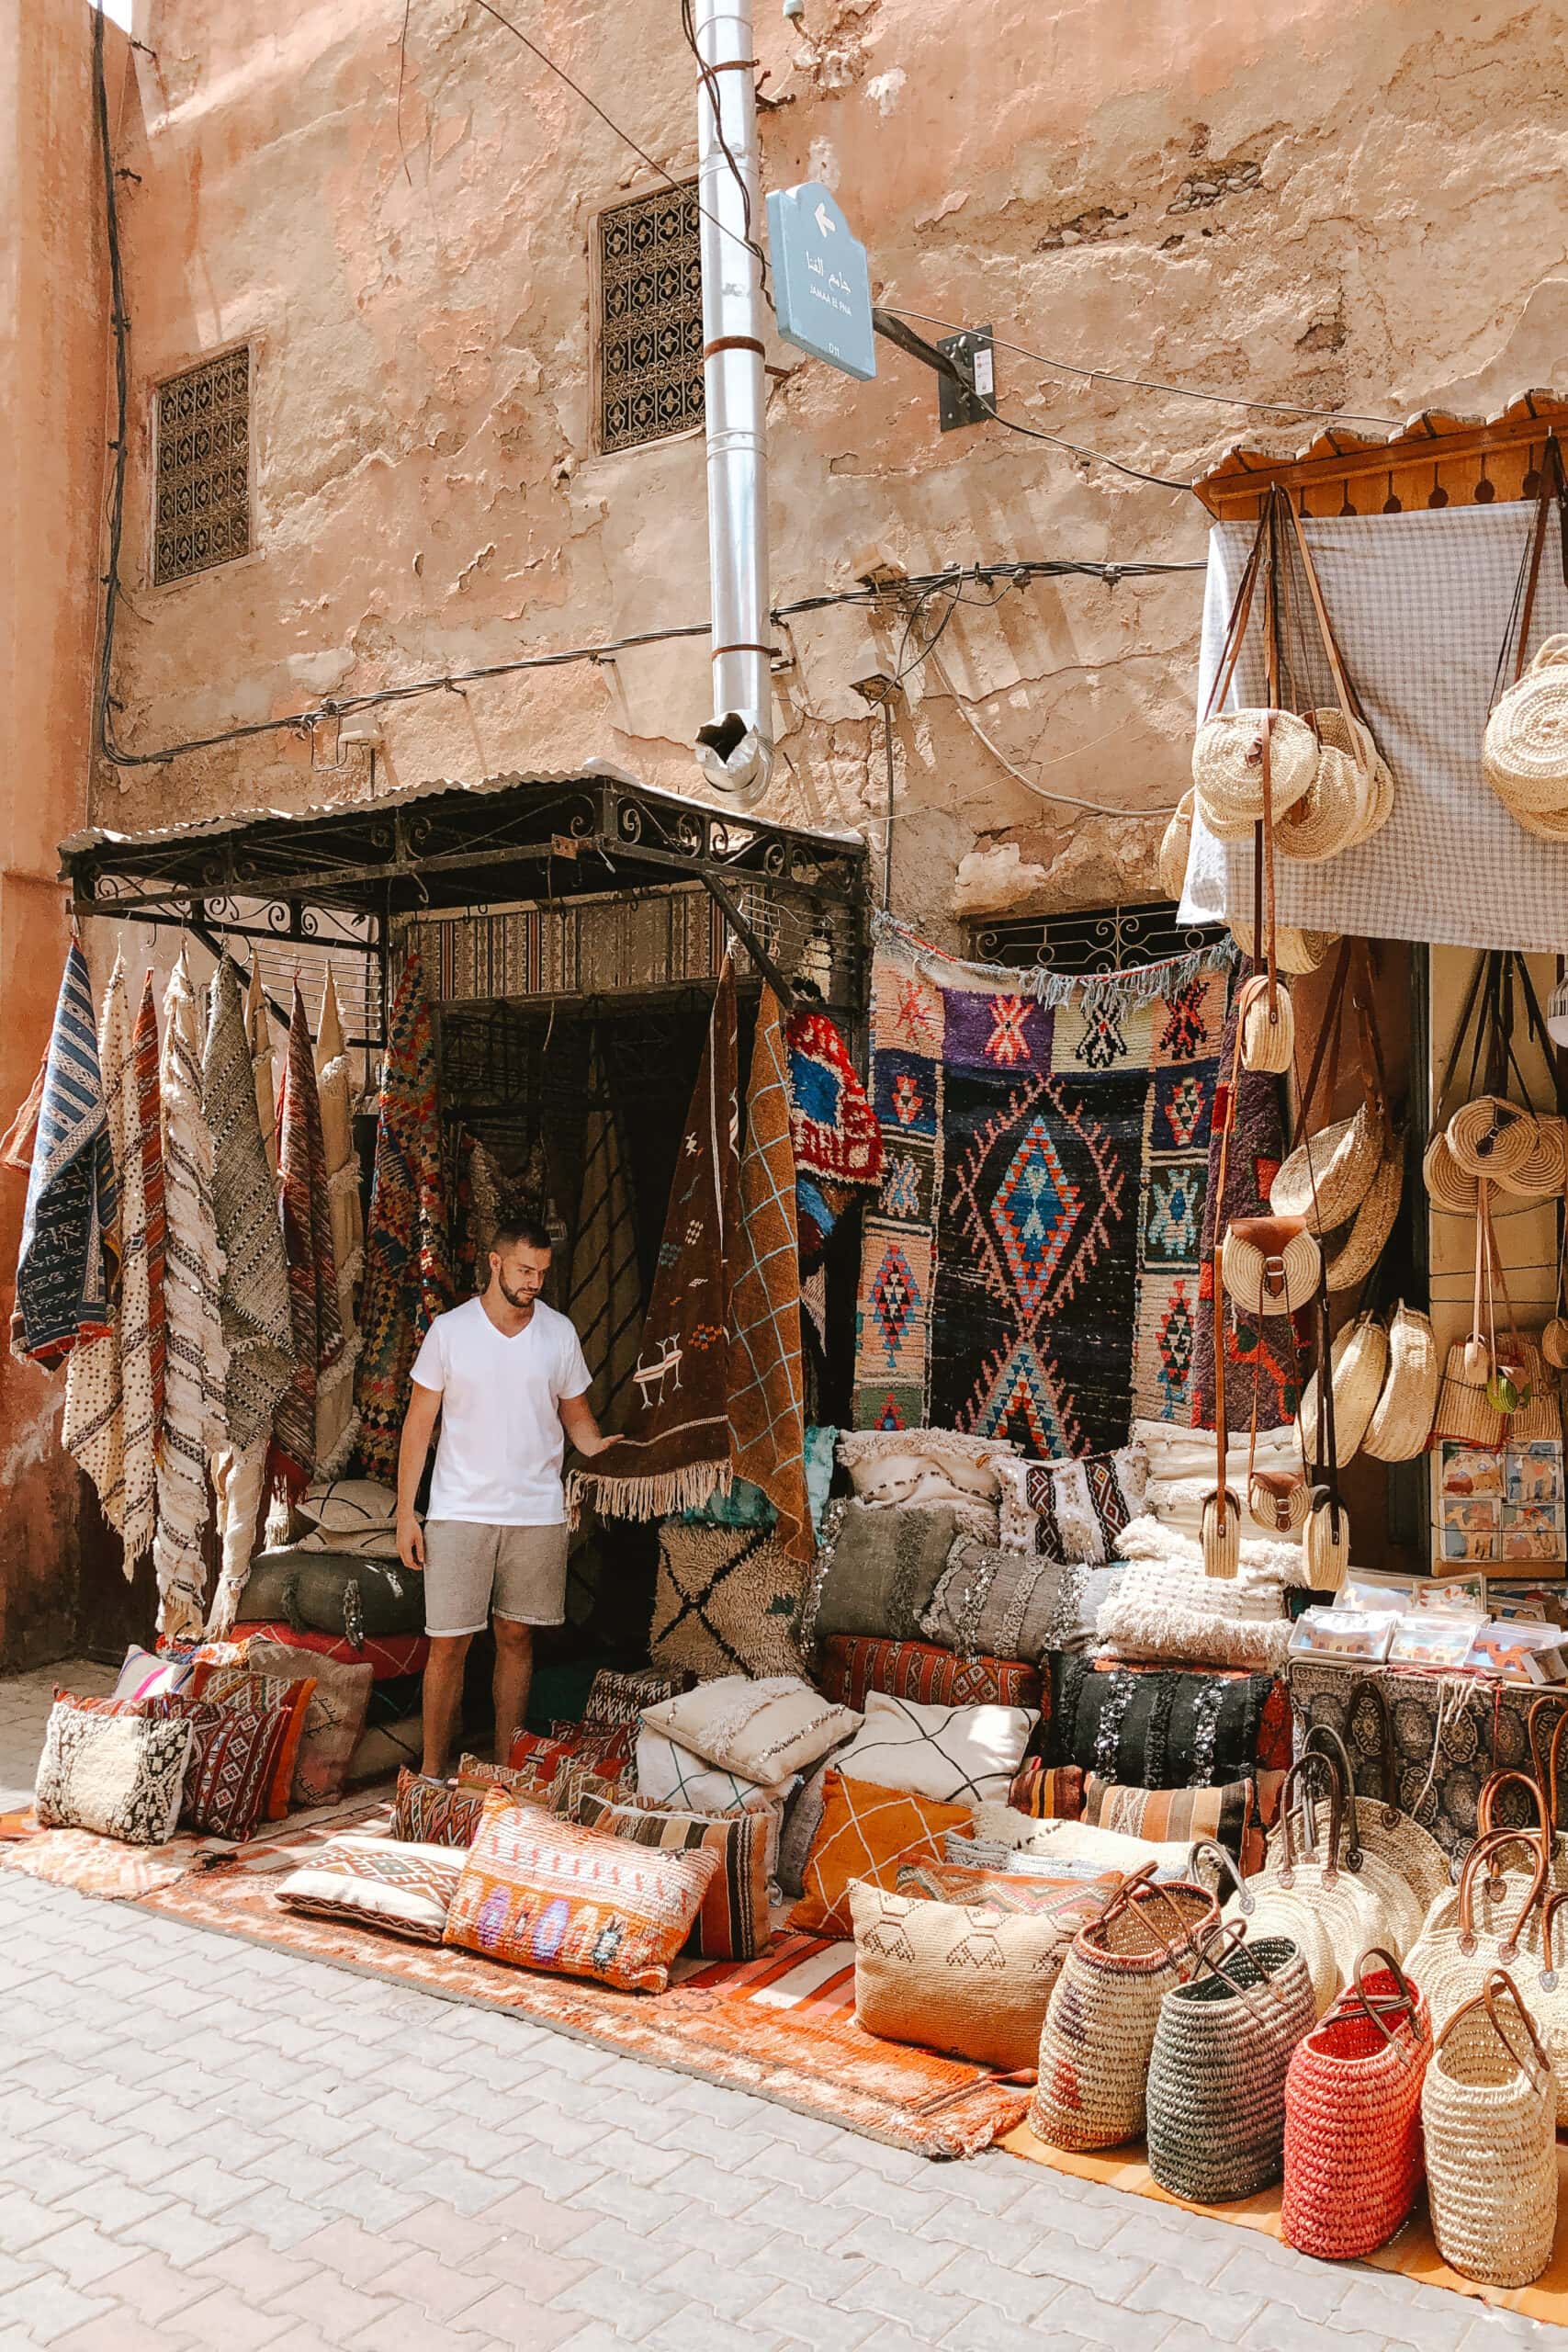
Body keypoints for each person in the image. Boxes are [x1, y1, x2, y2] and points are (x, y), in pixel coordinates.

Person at [396, 1215, 613, 1777]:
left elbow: (579, 1425)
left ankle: (504, 1770)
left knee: (517, 1638)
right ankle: (433, 1772)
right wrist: (406, 1514)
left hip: (536, 1514)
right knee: (449, 1644)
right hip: (458, 1511)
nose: (534, 1280)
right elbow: (418, 1426)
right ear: (495, 1264)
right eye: (524, 1269)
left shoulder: (559, 1333)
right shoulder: (451, 1331)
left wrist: (621, 1450)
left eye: (542, 1271)